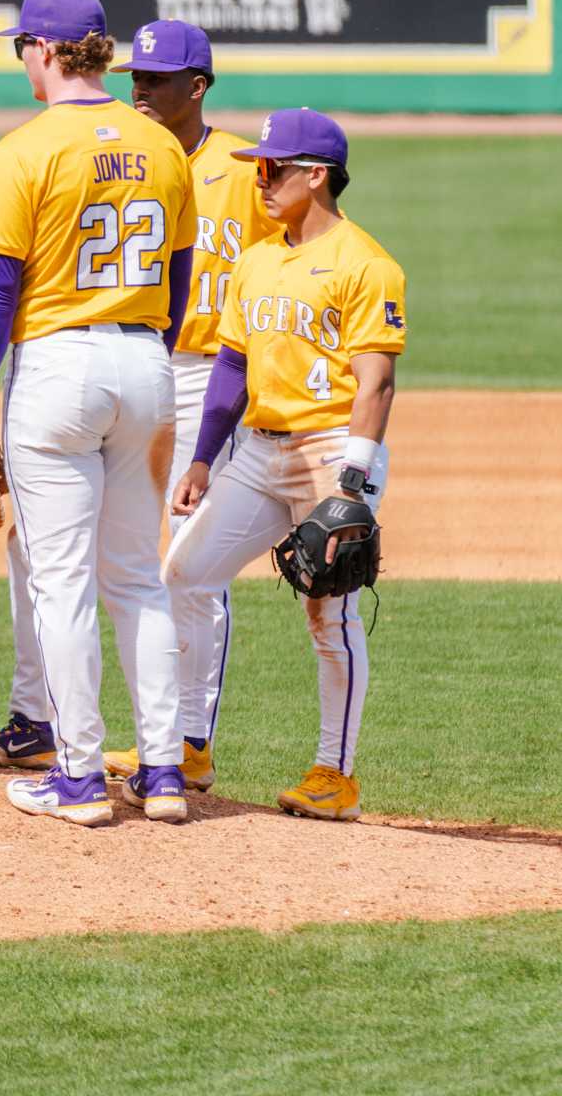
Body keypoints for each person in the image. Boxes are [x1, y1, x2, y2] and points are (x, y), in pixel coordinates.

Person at [0, 0, 196, 828]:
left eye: (22, 44)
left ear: (47, 52)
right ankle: (162, 774)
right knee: (137, 578)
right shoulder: (161, 145)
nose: (20, 57)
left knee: (60, 585)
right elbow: (178, 273)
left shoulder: (25, 147)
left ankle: (80, 776)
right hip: (145, 360)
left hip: (58, 366)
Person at [163, 110, 407, 822]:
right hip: (258, 451)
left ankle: (335, 773)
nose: (259, 179)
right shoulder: (257, 257)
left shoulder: (367, 263)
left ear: (316, 175)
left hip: (330, 451)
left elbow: (375, 383)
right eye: (257, 167)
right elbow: (231, 366)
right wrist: (204, 458)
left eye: (272, 168)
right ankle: (185, 746)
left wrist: (352, 486)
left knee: (327, 614)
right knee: (183, 573)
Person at [96, 23, 273, 794]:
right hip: (130, 363)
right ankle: (146, 735)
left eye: (157, 78)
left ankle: (188, 740)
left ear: (196, 85)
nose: (138, 87)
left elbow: (284, 267)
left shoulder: (243, 171)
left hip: (212, 376)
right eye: (134, 74)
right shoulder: (118, 155)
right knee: (125, 557)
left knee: (188, 568)